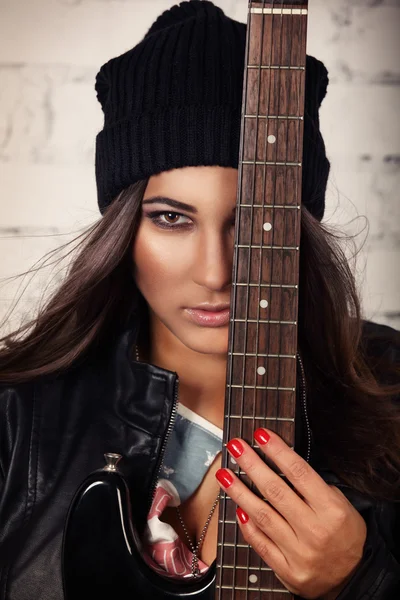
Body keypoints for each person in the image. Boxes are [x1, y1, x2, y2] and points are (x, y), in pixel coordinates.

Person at [0, 1, 399, 599]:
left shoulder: (393, 386)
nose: (216, 272)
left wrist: (364, 581)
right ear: (123, 231)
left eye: (253, 223)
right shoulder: (16, 416)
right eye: (170, 219)